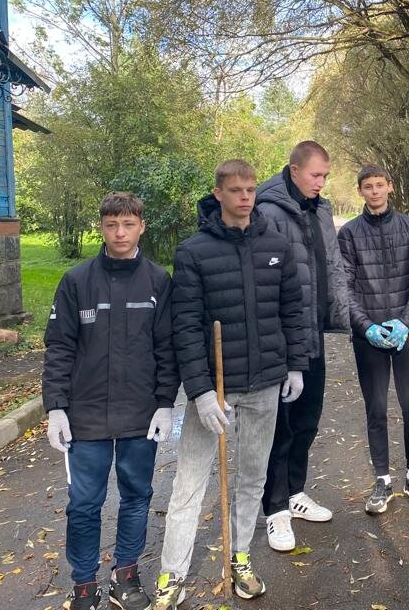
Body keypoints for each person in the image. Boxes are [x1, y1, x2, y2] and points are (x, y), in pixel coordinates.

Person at [153, 160, 308, 608]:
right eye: (236, 190)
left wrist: (295, 365)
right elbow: (184, 327)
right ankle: (172, 576)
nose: (245, 197)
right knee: (189, 483)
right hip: (215, 390)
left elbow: (292, 312)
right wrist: (199, 393)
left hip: (264, 385)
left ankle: (240, 557)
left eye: (250, 189)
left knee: (251, 478)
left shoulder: (276, 245)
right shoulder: (193, 251)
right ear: (218, 193)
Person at [43, 192, 178, 610]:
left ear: (141, 226)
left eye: (128, 224)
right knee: (84, 503)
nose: (120, 233)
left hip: (141, 414)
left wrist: (165, 403)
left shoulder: (158, 282)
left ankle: (126, 576)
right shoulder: (76, 281)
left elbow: (167, 348)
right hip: (85, 416)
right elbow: (59, 347)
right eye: (111, 225)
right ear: (101, 227)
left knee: (137, 495)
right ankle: (84, 585)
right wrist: (56, 408)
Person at [255, 140, 350, 551]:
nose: (322, 183)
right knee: (280, 426)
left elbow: (331, 266)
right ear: (294, 170)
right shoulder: (267, 209)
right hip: (280, 339)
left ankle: (295, 493)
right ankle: (274, 510)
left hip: (312, 334)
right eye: (316, 175)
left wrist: (342, 315)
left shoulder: (321, 209)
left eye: (326, 176)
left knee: (308, 420)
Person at [337, 164, 409, 513]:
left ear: (390, 187)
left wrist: (406, 323)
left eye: (379, 185)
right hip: (369, 336)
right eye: (367, 186)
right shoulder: (348, 233)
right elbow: (345, 288)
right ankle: (382, 481)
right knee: (376, 408)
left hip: (407, 333)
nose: (374, 191)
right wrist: (366, 328)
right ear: (360, 191)